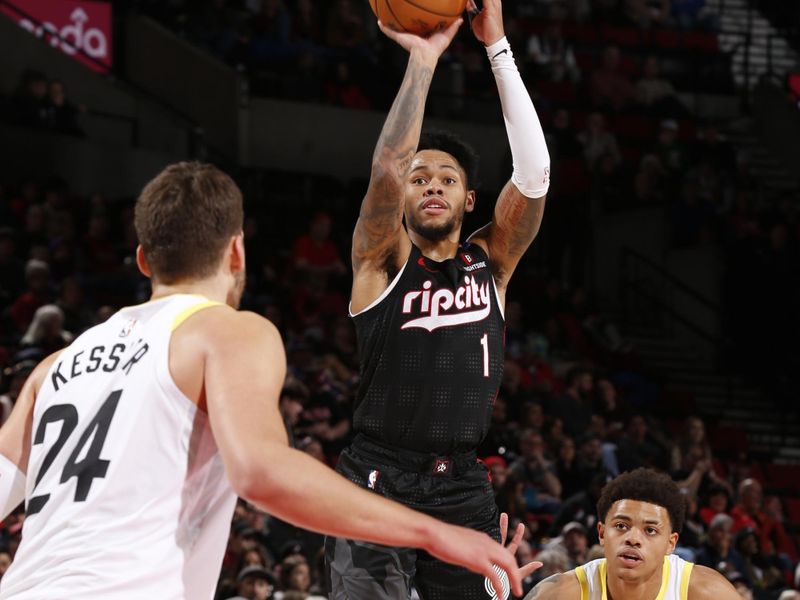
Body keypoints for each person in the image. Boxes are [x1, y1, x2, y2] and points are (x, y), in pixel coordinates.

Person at [0, 162, 523, 599]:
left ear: (142, 259)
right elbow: (261, 473)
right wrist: (436, 533)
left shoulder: (54, 368)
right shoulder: (226, 332)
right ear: (236, 252)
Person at [324, 0, 551, 597]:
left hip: (463, 485)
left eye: (447, 179)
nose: (431, 186)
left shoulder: (491, 263)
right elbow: (386, 170)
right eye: (421, 179)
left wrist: (497, 48)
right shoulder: (382, 260)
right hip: (376, 477)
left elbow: (534, 175)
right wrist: (423, 62)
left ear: (469, 199)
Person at [525, 468, 742, 600]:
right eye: (621, 526)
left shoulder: (704, 592)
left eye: (650, 530)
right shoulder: (563, 593)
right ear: (601, 533)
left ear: (670, 543)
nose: (633, 538)